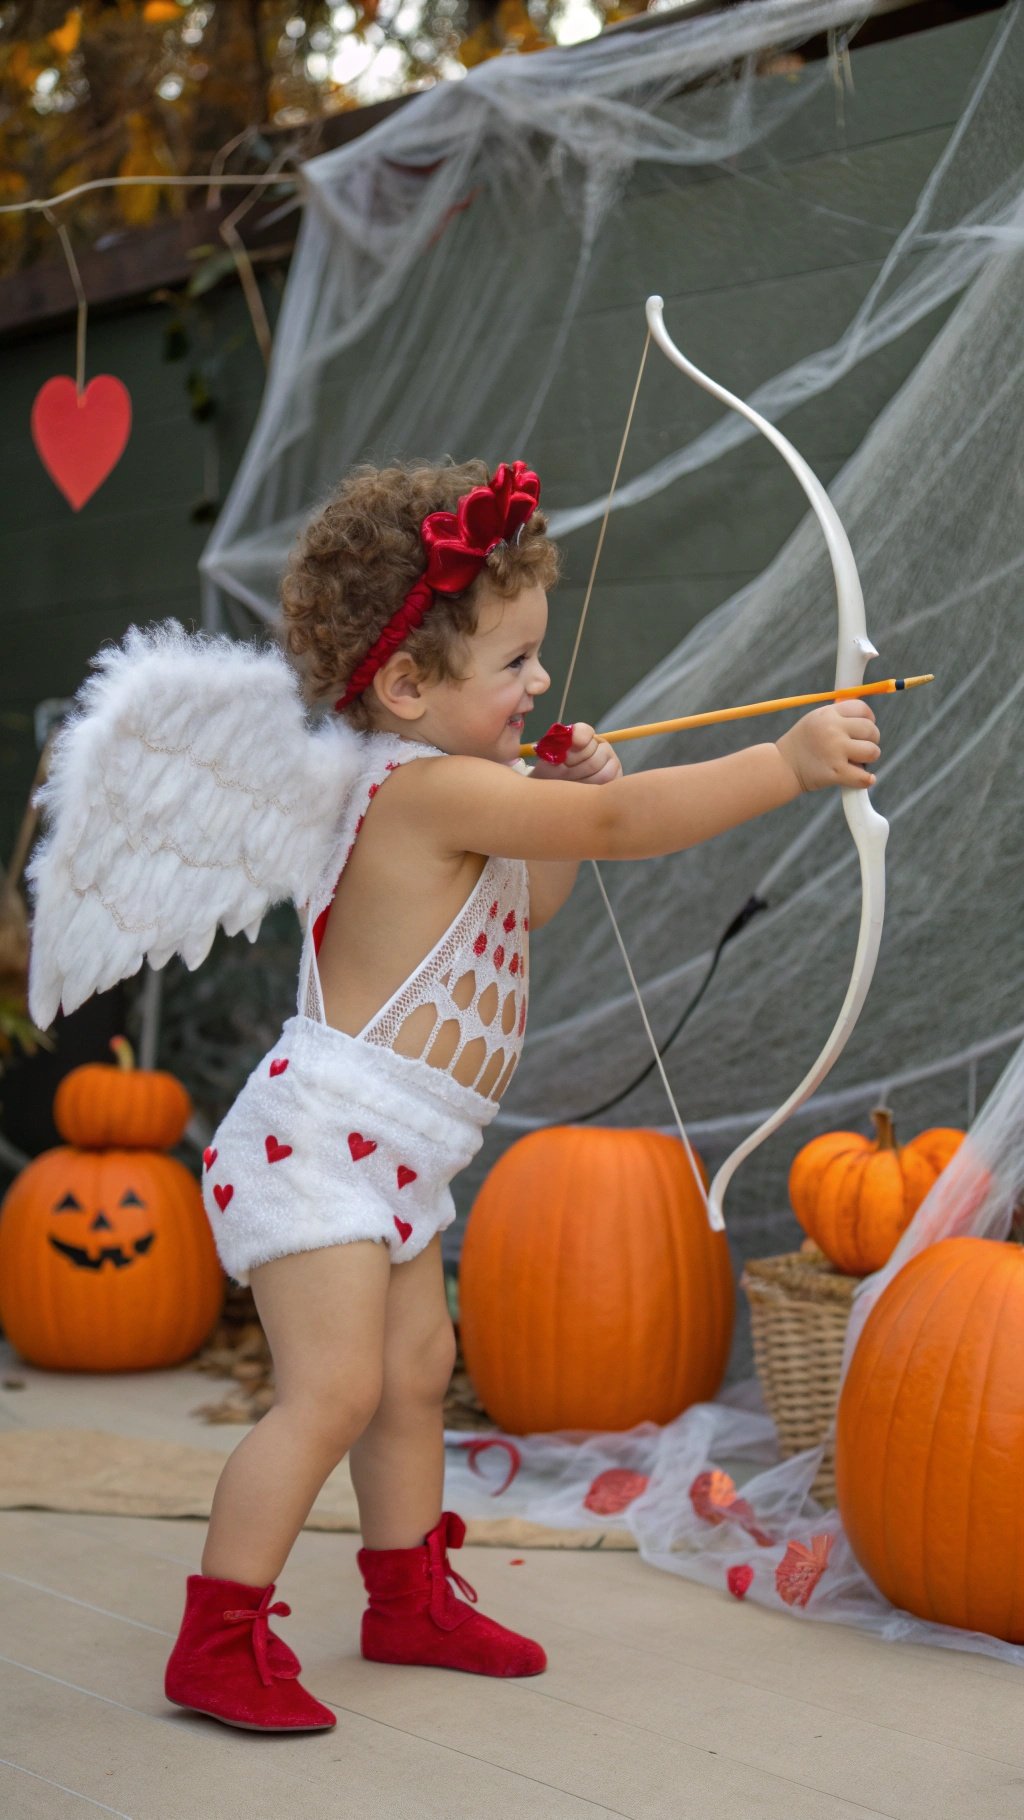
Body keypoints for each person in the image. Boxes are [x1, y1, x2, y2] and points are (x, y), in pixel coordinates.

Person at [163, 458, 880, 1732]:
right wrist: (783, 760)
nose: (541, 684)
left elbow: (542, 890)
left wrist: (563, 794)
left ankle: (404, 1597)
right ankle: (216, 1636)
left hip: (400, 1150)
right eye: (515, 663)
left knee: (417, 1370)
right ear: (406, 686)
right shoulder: (419, 787)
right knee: (330, 1390)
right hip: (321, 1145)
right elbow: (616, 842)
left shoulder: (473, 794)